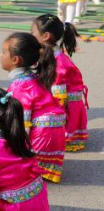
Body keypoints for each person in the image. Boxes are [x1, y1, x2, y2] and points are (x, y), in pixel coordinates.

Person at [1, 32, 66, 183]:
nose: (0, 55)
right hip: (53, 136)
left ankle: (31, 165)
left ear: (15, 59)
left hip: (42, 137)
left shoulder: (21, 85)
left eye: (4, 52)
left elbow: (22, 125)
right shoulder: (33, 78)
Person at [31, 14, 88, 151]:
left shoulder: (58, 62)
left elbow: (59, 98)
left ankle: (62, 133)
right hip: (59, 100)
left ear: (46, 36)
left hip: (65, 105)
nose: (30, 35)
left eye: (33, 32)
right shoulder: (46, 53)